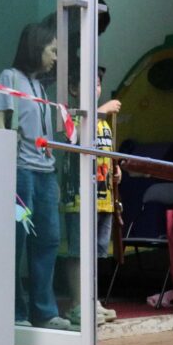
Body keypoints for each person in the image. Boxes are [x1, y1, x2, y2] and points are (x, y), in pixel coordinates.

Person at [0, 22, 73, 330]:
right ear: (36, 48)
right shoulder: (9, 77)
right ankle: (15, 313)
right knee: (16, 240)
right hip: (20, 174)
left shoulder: (40, 86)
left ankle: (44, 312)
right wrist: (4, 167)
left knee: (48, 241)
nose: (55, 57)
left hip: (45, 175)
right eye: (52, 50)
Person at [59, 67, 121, 325]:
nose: (95, 89)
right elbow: (77, 138)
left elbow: (104, 149)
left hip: (103, 196)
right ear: (74, 89)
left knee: (97, 252)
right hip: (80, 197)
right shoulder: (73, 115)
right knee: (78, 251)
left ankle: (91, 299)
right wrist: (102, 110)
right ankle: (77, 303)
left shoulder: (102, 120)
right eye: (88, 83)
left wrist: (115, 168)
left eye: (97, 84)